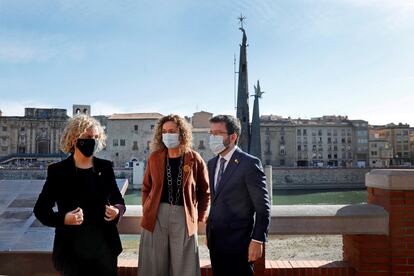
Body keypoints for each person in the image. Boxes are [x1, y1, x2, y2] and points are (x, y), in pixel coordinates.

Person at [33, 114, 126, 276]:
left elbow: (118, 199)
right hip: (71, 252)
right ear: (74, 139)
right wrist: (63, 219)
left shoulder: (105, 167)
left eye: (97, 137)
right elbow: (41, 210)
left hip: (105, 249)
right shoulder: (58, 171)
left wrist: (118, 210)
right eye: (89, 136)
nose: (94, 141)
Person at [138, 114, 210, 276]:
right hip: (155, 216)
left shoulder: (194, 158)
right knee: (153, 266)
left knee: (186, 267)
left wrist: (200, 218)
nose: (168, 135)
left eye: (172, 131)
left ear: (182, 133)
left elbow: (205, 192)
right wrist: (147, 209)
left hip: (184, 216)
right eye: (164, 131)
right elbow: (146, 188)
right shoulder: (154, 158)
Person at [206, 114, 271, 276]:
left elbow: (263, 208)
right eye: (211, 133)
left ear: (233, 136)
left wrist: (257, 240)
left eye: (218, 133)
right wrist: (209, 233)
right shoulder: (212, 163)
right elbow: (215, 201)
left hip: (240, 243)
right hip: (215, 243)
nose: (212, 138)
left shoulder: (249, 163)